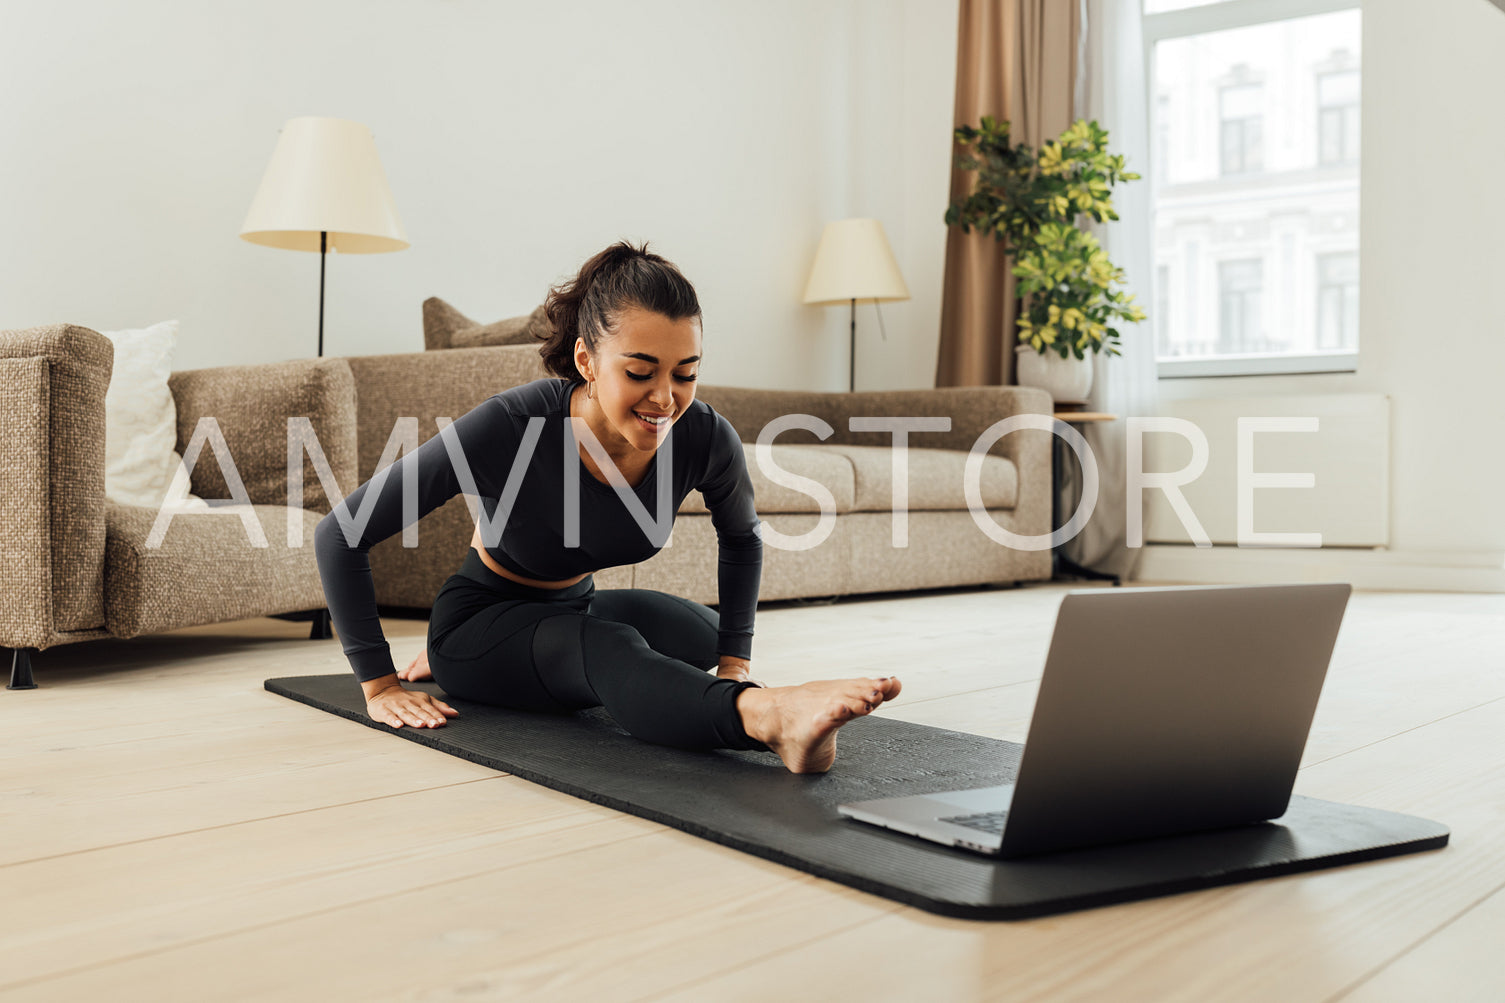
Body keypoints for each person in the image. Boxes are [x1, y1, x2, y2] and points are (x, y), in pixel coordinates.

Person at [314, 240, 901, 774]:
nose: (665, 398)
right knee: (611, 649)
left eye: (686, 373)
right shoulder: (513, 426)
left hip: (577, 607)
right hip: (479, 626)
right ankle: (768, 720)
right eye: (640, 372)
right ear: (587, 362)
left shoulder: (703, 436)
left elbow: (742, 537)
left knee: (707, 636)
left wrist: (734, 662)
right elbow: (340, 534)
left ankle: (719, 687)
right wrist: (378, 683)